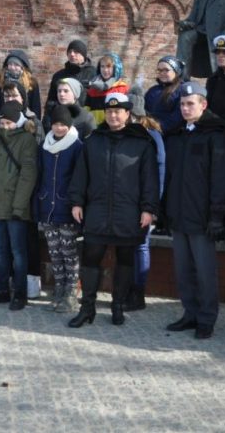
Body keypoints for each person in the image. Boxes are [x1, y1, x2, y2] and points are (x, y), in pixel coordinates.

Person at [68, 93, 160, 327]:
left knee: (125, 260)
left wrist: (148, 209)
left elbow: (150, 180)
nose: (113, 115)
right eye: (109, 112)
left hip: (128, 212)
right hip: (97, 211)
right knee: (90, 258)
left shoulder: (142, 143)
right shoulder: (93, 141)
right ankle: (87, 308)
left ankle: (118, 306)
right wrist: (77, 202)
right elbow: (81, 174)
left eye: (118, 111)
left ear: (127, 114)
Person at [161, 82, 225, 338]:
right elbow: (169, 177)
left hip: (202, 218)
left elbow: (221, 178)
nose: (185, 108)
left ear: (203, 105)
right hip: (179, 215)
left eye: (190, 104)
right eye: (182, 104)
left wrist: (217, 215)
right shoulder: (178, 135)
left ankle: (206, 319)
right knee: (183, 271)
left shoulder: (215, 135)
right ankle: (190, 313)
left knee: (204, 272)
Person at [0, 100, 39, 310]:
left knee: (18, 252)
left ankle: (20, 293)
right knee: (0, 250)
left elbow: (28, 175)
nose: (5, 127)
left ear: (17, 122)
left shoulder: (27, 140)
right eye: (2, 123)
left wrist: (18, 207)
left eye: (9, 123)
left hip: (15, 207)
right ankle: (2, 288)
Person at [35, 105, 85, 313]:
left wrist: (77, 202)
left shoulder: (77, 146)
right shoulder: (44, 146)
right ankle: (59, 289)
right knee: (54, 252)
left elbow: (80, 177)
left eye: (63, 124)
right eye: (55, 124)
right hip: (47, 205)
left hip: (67, 207)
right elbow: (40, 175)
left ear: (69, 125)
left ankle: (70, 293)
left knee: (69, 252)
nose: (59, 128)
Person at [125, 86, 165, 312]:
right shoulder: (126, 132)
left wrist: (152, 206)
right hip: (126, 200)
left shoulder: (152, 136)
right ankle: (127, 288)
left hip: (144, 202)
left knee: (141, 245)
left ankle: (137, 292)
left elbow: (160, 171)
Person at [45, 39, 96, 121]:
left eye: (76, 52)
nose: (72, 54)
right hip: (61, 118)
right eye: (69, 52)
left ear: (83, 55)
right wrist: (47, 121)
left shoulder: (93, 74)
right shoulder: (58, 76)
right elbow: (50, 101)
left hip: (84, 119)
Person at [0, 49, 42, 122]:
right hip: (4, 120)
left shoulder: (32, 82)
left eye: (16, 65)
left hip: (25, 121)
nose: (12, 67)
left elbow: (36, 106)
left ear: (22, 67)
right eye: (10, 64)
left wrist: (36, 123)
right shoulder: (1, 81)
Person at [86, 52, 129, 125]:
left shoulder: (122, 88)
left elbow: (126, 113)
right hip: (95, 128)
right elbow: (86, 112)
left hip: (115, 128)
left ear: (115, 69)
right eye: (102, 66)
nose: (105, 70)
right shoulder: (93, 89)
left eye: (109, 67)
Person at [145, 55, 185, 132]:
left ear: (176, 71)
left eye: (166, 70)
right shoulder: (152, 91)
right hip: (150, 130)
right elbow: (145, 111)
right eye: (159, 70)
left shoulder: (182, 90)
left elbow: (177, 118)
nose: (162, 73)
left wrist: (156, 127)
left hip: (172, 134)